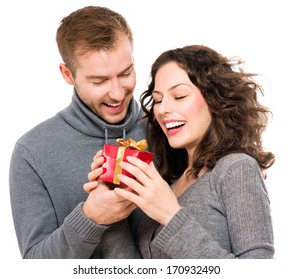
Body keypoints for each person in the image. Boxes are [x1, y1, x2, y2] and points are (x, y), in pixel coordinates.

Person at [87, 45, 275, 258]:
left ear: (215, 100)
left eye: (179, 95)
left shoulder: (237, 169)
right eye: (158, 100)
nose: (163, 109)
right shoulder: (173, 181)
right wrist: (112, 210)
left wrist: (170, 215)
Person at [9, 6, 145, 259]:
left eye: (126, 73)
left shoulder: (169, 128)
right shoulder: (32, 151)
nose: (117, 93)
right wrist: (90, 218)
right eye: (99, 81)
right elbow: (34, 266)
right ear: (68, 75)